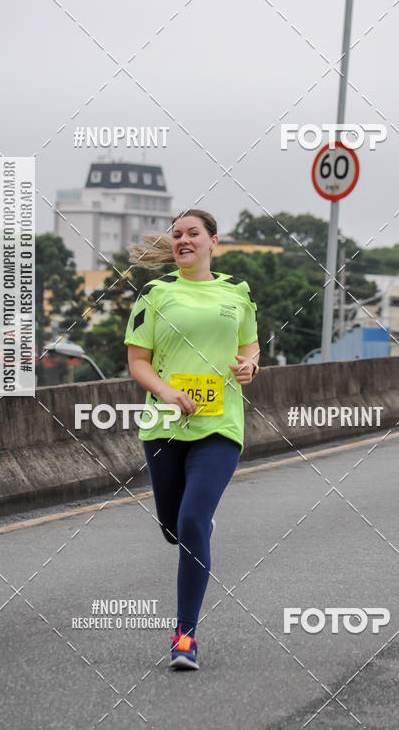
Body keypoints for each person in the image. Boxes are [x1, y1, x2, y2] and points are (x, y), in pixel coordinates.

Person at [125, 209, 259, 670]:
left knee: (193, 522)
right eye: (177, 234)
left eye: (193, 234)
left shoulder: (236, 292)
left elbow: (250, 345)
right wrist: (164, 391)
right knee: (173, 527)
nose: (184, 240)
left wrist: (249, 365)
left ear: (212, 242)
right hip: (164, 425)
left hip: (220, 426)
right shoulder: (156, 293)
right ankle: (189, 526)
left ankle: (185, 636)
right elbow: (137, 359)